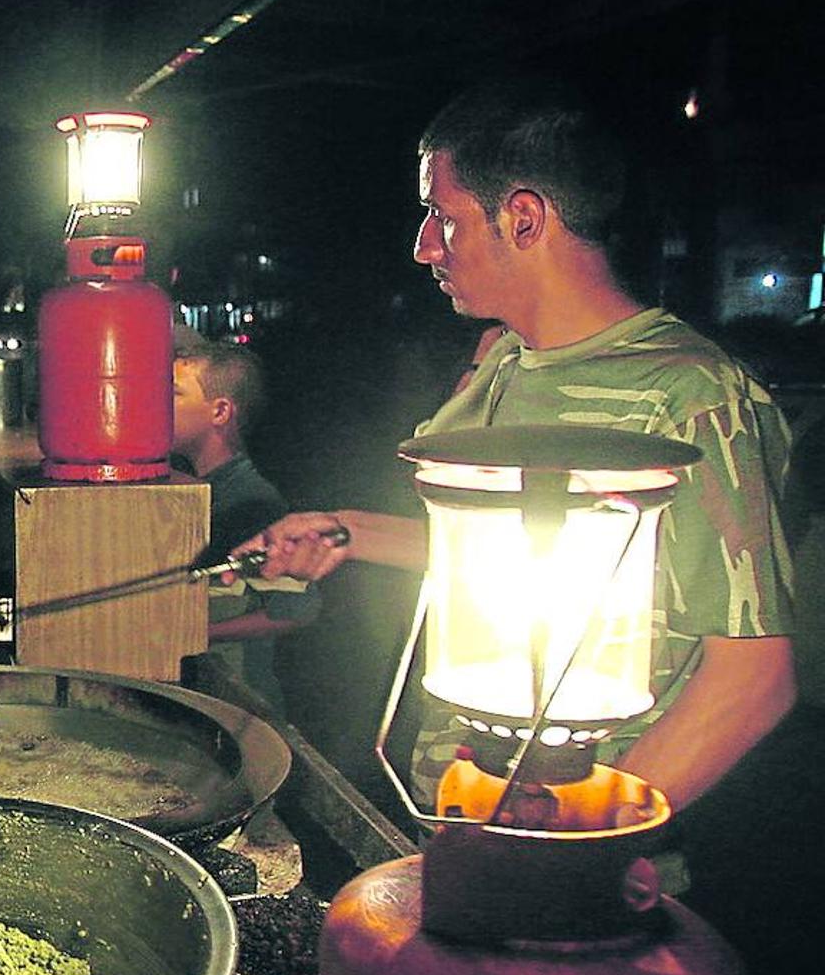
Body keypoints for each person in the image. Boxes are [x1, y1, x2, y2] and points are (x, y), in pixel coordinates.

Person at [237, 74, 797, 811]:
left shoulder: (689, 396)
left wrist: (590, 837)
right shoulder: (503, 361)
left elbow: (752, 676)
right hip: (467, 803)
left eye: (442, 216)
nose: (422, 247)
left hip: (576, 839)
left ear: (524, 218)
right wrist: (353, 532)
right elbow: (524, 557)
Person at [171, 342, 319, 712]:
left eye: (173, 394)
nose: (156, 405)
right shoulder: (202, 485)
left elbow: (297, 610)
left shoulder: (251, 500)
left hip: (246, 702)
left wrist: (189, 635)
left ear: (220, 411)